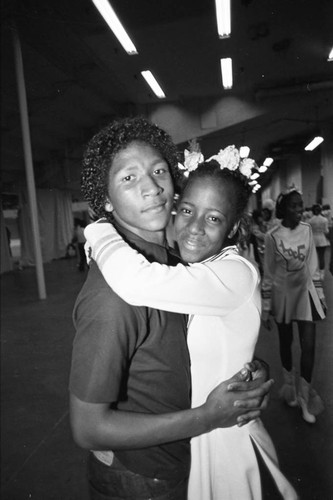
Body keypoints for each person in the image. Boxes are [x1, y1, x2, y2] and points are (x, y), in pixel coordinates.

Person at [69, 118, 272, 500]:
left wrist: (250, 368)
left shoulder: (177, 266)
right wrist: (207, 417)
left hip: (184, 460)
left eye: (158, 170)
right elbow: (87, 428)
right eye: (129, 179)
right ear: (106, 199)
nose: (151, 186)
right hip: (141, 478)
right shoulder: (113, 296)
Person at [261, 189, 326, 424]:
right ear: (284, 209)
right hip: (283, 295)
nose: (299, 210)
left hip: (306, 295)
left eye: (301, 206)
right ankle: (289, 386)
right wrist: (267, 306)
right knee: (286, 343)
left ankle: (305, 397)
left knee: (309, 346)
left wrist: (321, 299)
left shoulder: (308, 230)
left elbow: (314, 268)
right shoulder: (272, 235)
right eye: (294, 206)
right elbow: (268, 272)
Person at [308, 204, 330, 281]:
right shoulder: (324, 220)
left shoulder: (310, 220)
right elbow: (326, 231)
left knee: (313, 258)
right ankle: (322, 274)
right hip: (322, 239)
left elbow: (309, 231)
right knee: (321, 257)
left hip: (313, 239)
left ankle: (313, 273)